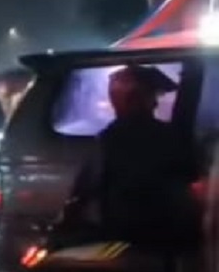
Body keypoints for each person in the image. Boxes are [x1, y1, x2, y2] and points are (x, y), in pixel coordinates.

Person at [59, 64, 201, 250]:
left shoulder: (108, 138)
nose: (156, 103)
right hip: (159, 236)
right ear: (135, 99)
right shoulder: (164, 136)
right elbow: (189, 172)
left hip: (126, 233)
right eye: (152, 96)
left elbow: (86, 188)